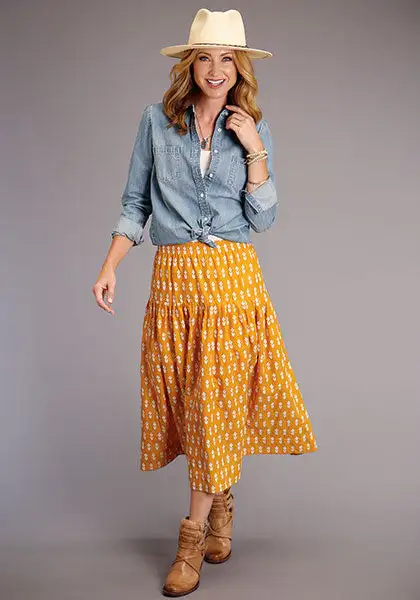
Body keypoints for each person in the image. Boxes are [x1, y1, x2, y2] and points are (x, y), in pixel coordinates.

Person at [92, 8, 318, 597]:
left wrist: (254, 150)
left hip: (232, 282)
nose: (216, 69)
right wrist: (110, 266)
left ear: (240, 68)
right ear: (189, 65)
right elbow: (135, 204)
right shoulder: (156, 122)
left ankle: (190, 539)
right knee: (194, 402)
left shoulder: (254, 128)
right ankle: (221, 506)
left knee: (214, 401)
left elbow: (263, 219)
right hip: (175, 283)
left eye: (227, 59)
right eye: (205, 57)